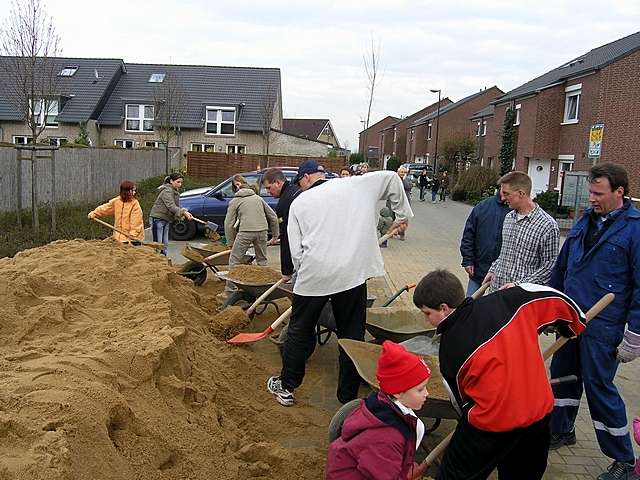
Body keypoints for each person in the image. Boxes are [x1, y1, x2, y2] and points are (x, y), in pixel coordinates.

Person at [413, 269, 586, 480]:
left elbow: (460, 402)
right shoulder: (510, 298)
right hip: (538, 414)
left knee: (455, 474)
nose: (426, 320)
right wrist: (574, 324)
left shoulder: (450, 348)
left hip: (490, 425)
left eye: (427, 313)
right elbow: (553, 297)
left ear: (444, 308)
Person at [267, 160, 413, 406]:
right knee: (351, 335)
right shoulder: (357, 184)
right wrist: (402, 215)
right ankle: (347, 397)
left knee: (300, 330)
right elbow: (391, 177)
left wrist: (303, 276)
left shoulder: (299, 202)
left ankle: (287, 386)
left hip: (315, 275)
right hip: (352, 274)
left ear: (305, 179)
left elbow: (295, 250)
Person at [548, 163, 640, 480]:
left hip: (604, 326)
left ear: (619, 192)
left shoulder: (635, 229)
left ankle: (623, 460)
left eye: (599, 193)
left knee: (599, 388)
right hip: (571, 318)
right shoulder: (585, 221)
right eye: (590, 192)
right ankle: (561, 430)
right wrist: (550, 308)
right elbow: (562, 269)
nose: (592, 199)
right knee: (562, 377)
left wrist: (635, 335)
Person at [325, 341, 431, 480]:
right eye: (420, 389)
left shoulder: (382, 405)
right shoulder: (386, 438)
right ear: (398, 392)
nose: (427, 393)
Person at [483, 171, 559, 293]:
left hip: (522, 298)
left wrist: (519, 285)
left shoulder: (547, 226)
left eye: (506, 194)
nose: (502, 198)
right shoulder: (508, 218)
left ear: (521, 193)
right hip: (497, 291)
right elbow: (504, 253)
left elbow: (549, 267)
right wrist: (493, 270)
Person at [224, 176, 279, 293]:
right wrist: (275, 235)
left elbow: (228, 224)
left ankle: (230, 290)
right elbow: (273, 217)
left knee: (234, 260)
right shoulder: (258, 198)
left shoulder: (235, 201)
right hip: (262, 231)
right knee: (262, 261)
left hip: (245, 232)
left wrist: (230, 243)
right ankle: (262, 289)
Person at [459, 189, 511, 296]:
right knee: (470, 306)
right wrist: (468, 260)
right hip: (479, 269)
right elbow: (469, 235)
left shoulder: (516, 212)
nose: (504, 196)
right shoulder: (483, 207)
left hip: (504, 275)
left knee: (496, 308)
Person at [262, 168, 300, 282]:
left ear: (278, 183)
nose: (268, 192)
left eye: (269, 187)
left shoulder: (284, 202)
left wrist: (286, 270)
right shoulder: (295, 190)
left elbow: (287, 238)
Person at [149, 173, 193, 255]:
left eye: (181, 182)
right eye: (178, 182)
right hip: (158, 219)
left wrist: (182, 214)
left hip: (166, 219)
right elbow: (171, 206)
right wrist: (184, 212)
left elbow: (176, 207)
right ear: (171, 181)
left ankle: (164, 261)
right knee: (158, 245)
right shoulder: (167, 191)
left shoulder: (174, 191)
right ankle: (157, 262)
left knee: (165, 243)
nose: (180, 184)